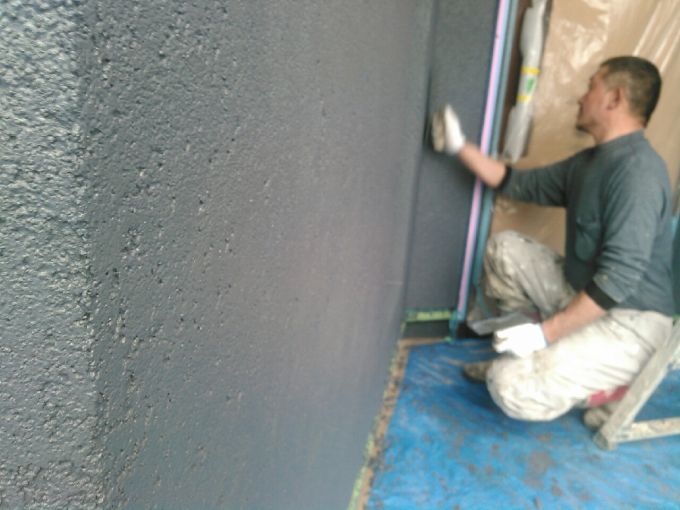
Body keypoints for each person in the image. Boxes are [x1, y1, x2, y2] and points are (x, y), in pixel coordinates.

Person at [431, 56, 674, 422]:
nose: (581, 97)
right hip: (585, 298)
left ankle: (613, 385)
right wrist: (457, 145)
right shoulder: (590, 163)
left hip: (632, 325)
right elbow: (517, 183)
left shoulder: (637, 172)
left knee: (509, 386)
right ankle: (545, 353)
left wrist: (544, 334)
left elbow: (619, 279)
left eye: (591, 86)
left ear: (615, 98)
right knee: (504, 251)